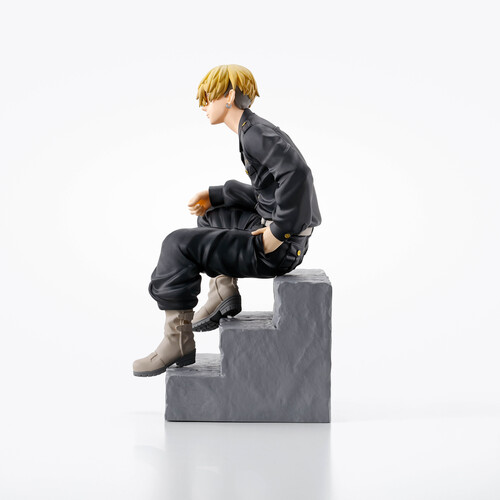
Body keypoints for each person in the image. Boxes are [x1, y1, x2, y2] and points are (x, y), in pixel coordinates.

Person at [132, 64, 322, 377]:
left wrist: (278, 233)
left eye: (208, 98)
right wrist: (216, 195)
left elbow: (299, 175)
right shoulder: (251, 129)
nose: (203, 105)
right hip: (283, 237)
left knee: (176, 245)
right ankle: (223, 293)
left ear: (229, 96)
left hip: (280, 248)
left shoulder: (255, 134)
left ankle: (177, 340)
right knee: (211, 217)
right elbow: (268, 193)